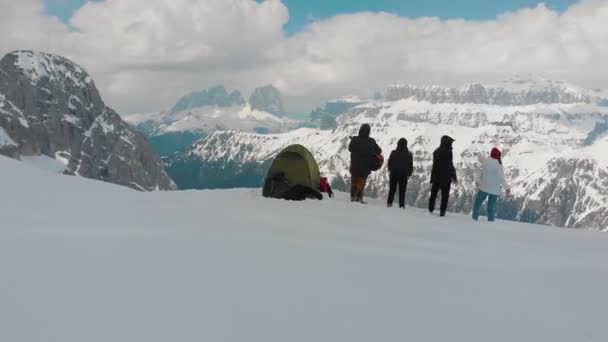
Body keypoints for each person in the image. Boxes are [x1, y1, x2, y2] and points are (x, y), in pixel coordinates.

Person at [472, 148, 511, 222]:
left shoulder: (486, 162)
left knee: (477, 205)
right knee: (491, 208)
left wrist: (477, 181)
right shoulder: (499, 165)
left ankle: (474, 220)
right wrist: (507, 188)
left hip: (484, 188)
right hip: (495, 191)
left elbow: (478, 172)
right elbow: (502, 179)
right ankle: (491, 223)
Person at [348, 124, 381, 203]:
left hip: (354, 165)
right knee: (361, 182)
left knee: (354, 181)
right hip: (365, 167)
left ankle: (353, 197)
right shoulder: (371, 141)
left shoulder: (355, 139)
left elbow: (350, 148)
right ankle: (359, 198)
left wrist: (353, 140)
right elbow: (379, 151)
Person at [429, 135, 457, 216]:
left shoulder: (436, 151)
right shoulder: (448, 152)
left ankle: (430, 209)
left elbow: (434, 166)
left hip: (436, 177)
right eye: (451, 142)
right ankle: (442, 212)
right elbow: (450, 165)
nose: (452, 144)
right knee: (445, 196)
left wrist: (432, 178)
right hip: (446, 178)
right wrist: (454, 177)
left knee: (433, 194)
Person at [387, 138, 414, 208]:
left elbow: (389, 163)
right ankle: (401, 205)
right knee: (402, 191)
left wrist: (390, 169)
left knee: (392, 189)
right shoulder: (409, 154)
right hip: (403, 175)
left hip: (394, 173)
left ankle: (389, 203)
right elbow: (410, 165)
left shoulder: (393, 152)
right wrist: (409, 173)